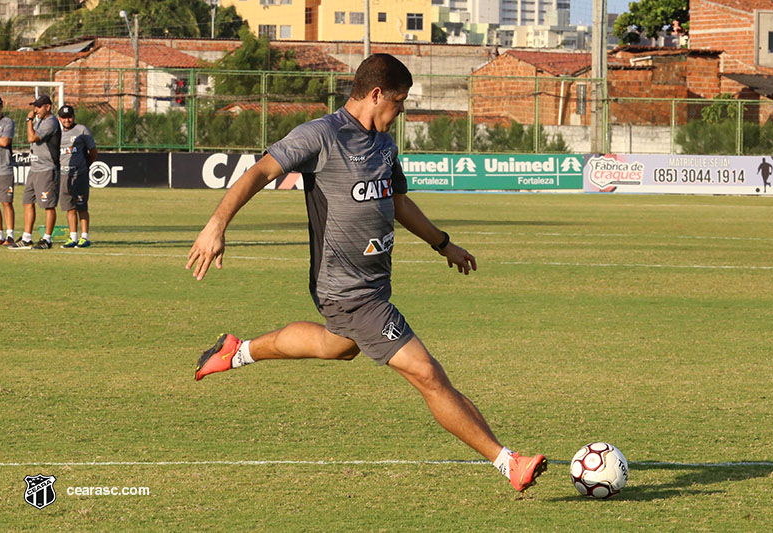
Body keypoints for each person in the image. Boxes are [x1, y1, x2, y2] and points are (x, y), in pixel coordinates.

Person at [186, 54, 547, 492]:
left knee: (336, 346)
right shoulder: (321, 135)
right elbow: (260, 171)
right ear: (376, 94)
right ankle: (508, 462)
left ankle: (238, 350)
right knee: (427, 373)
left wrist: (442, 243)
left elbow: (397, 202)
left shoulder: (384, 145)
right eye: (399, 102)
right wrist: (216, 224)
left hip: (373, 283)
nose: (400, 111)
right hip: (348, 290)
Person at [9, 94, 61, 250]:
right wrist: (32, 121)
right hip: (35, 168)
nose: (35, 110)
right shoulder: (40, 121)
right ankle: (26, 238)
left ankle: (47, 239)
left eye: (38, 106)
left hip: (47, 169)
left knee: (48, 205)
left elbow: (32, 138)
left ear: (48, 107)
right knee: (27, 202)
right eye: (34, 106)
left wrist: (28, 120)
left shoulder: (50, 122)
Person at [57, 104, 97, 248]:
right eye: (64, 117)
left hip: (79, 174)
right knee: (69, 207)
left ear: (74, 117)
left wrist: (86, 166)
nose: (67, 120)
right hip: (64, 175)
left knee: (82, 206)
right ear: (59, 118)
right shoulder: (57, 133)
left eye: (69, 117)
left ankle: (84, 237)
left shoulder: (82, 130)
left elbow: (92, 151)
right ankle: (73, 237)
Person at [0, 95, 15, 246]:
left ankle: (10, 235)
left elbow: (5, 141)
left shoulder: (7, 122)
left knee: (6, 202)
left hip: (4, 169)